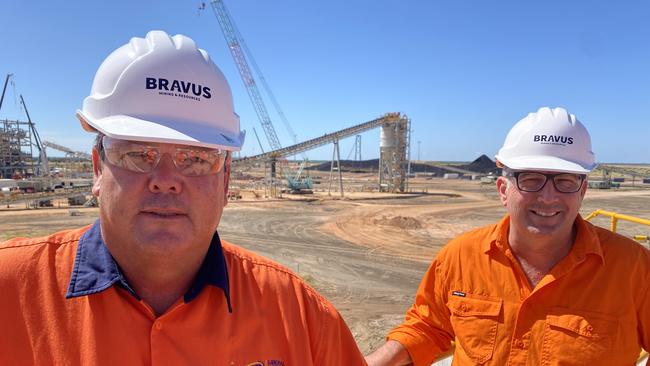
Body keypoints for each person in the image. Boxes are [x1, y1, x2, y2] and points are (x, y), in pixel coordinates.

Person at [0, 30, 366, 365]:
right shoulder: (10, 292)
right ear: (98, 169)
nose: (166, 181)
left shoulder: (302, 319)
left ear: (226, 180)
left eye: (196, 159)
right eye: (138, 154)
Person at [366, 107, 650, 365]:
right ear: (503, 189)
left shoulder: (633, 267)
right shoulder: (460, 257)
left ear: (583, 191)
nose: (548, 197)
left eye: (565, 180)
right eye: (530, 179)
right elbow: (428, 328)